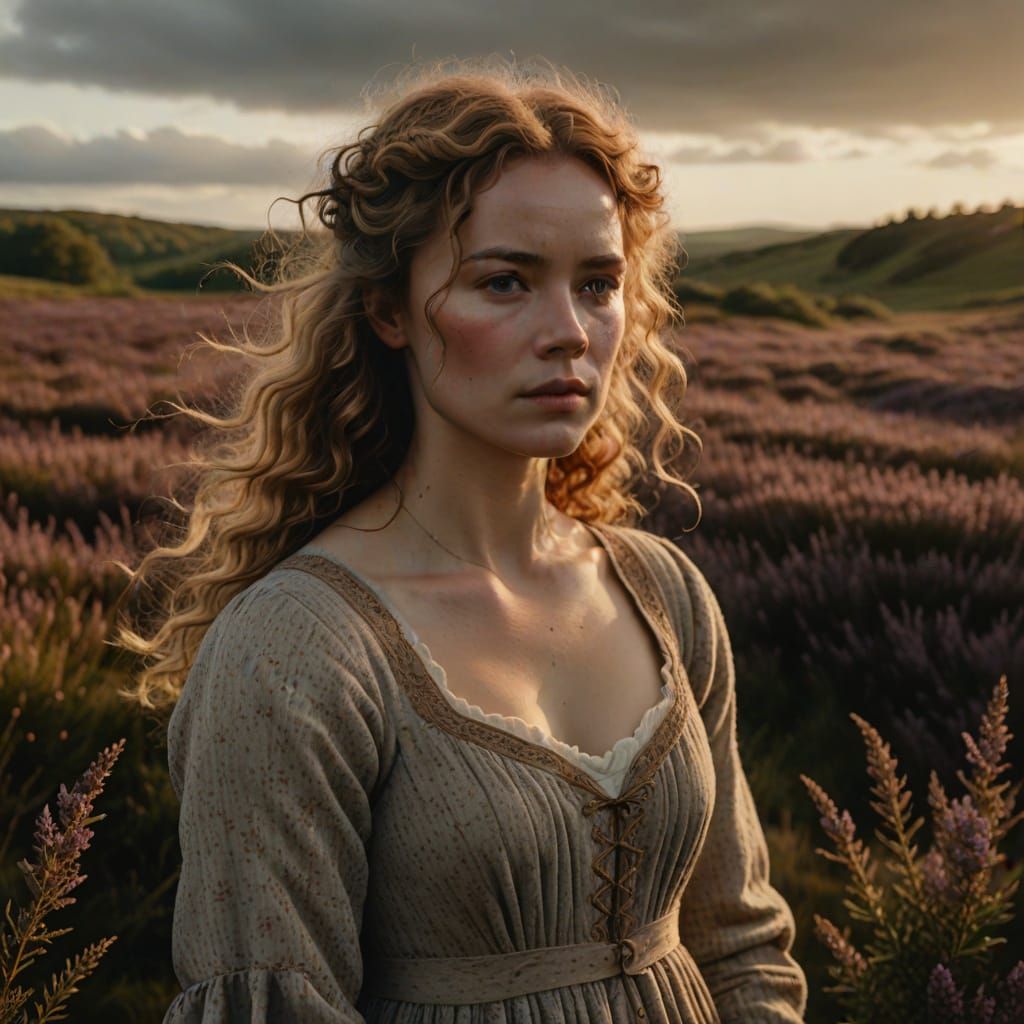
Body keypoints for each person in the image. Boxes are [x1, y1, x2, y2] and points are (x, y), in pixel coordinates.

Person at [116, 55, 807, 1023]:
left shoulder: (663, 593)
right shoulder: (294, 651)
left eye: (598, 284)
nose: (568, 331)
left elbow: (739, 945)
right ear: (388, 309)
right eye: (505, 282)